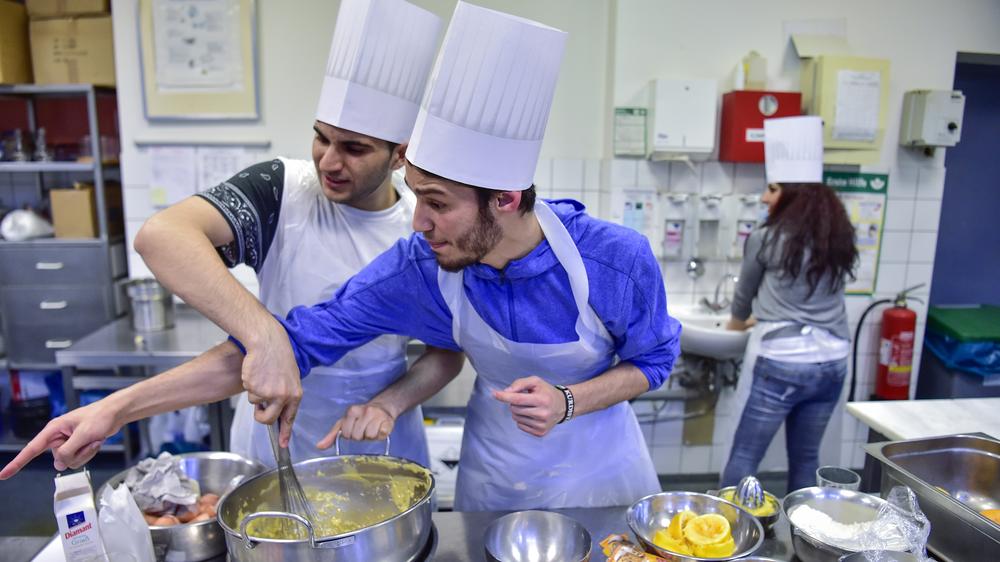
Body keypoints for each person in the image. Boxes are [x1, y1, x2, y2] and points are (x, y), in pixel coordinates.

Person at [1, 2, 681, 514]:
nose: (418, 223)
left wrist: (571, 399)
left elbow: (654, 360)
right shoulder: (418, 268)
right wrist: (117, 409)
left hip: (604, 476)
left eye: (436, 203)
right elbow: (286, 344)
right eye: (416, 197)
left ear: (504, 199)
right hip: (496, 479)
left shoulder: (614, 261)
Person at [132, 0, 462, 467]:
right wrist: (266, 337)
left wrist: (390, 403)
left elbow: (446, 351)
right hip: (274, 439)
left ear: (398, 156)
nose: (329, 161)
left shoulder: (424, 226)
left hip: (379, 439)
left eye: (353, 148)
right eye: (322, 137)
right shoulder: (281, 190)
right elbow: (161, 236)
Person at [719, 116, 859, 492]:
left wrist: (736, 326)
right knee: (806, 459)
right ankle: (805, 527)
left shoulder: (766, 237)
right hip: (832, 361)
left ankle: (727, 525)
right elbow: (808, 296)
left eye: (773, 188)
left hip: (781, 362)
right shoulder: (838, 234)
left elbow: (743, 297)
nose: (765, 198)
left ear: (794, 194)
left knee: (744, 458)